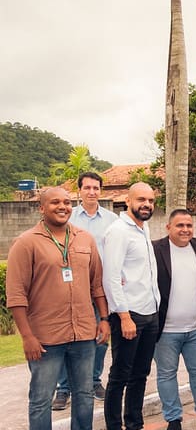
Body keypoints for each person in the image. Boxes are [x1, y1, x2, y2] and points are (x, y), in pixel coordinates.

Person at [6, 187, 113, 430]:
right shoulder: (26, 243)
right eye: (55, 202)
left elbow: (97, 286)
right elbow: (16, 295)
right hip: (45, 338)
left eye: (67, 202)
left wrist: (103, 319)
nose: (62, 207)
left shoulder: (84, 239)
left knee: (83, 394)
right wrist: (26, 336)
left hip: (82, 332)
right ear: (42, 207)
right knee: (40, 401)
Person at [102, 182, 164, 430]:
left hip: (149, 312)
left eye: (150, 200)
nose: (147, 204)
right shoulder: (118, 231)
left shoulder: (143, 227)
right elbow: (111, 277)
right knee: (120, 376)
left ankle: (135, 427)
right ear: (127, 200)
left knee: (140, 374)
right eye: (141, 199)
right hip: (129, 316)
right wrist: (123, 316)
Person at [153, 209, 196, 430]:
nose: (185, 230)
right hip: (166, 331)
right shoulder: (155, 249)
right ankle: (173, 420)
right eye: (180, 225)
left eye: (189, 225)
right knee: (166, 374)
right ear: (168, 227)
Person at [53, 171, 118, 409]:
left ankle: (93, 381)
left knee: (101, 337)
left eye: (96, 188)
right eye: (87, 188)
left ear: (101, 191)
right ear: (79, 191)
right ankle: (64, 389)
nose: (92, 192)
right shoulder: (68, 219)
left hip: (101, 288)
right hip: (72, 289)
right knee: (66, 336)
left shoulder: (112, 220)